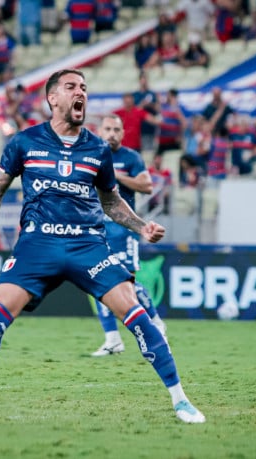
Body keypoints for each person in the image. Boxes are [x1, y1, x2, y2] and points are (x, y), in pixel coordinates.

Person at [0, 69, 206, 424]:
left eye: (84, 87)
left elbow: (111, 201)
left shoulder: (98, 149)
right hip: (38, 243)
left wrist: (141, 225)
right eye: (72, 87)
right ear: (53, 98)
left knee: (135, 314)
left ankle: (181, 400)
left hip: (87, 244)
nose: (80, 93)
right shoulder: (25, 142)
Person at [90, 114, 167, 356]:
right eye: (107, 129)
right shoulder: (91, 153)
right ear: (99, 131)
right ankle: (112, 339)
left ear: (123, 133)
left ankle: (156, 322)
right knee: (97, 282)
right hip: (96, 228)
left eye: (116, 129)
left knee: (127, 283)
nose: (111, 133)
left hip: (124, 229)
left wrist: (111, 174)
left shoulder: (130, 158)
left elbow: (147, 186)